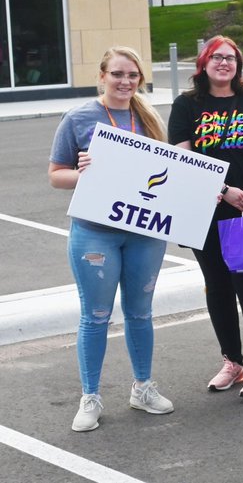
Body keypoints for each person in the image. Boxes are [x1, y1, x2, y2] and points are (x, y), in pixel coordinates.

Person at [50, 47, 173, 432]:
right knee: (96, 316)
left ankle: (143, 388)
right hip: (95, 234)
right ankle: (90, 396)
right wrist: (82, 172)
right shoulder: (79, 117)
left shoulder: (148, 117)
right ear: (102, 76)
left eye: (133, 75)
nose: (125, 82)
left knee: (140, 313)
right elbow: (56, 175)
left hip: (144, 234)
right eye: (118, 74)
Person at [168, 36, 243, 397]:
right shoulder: (187, 105)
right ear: (203, 63)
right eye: (217, 57)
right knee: (217, 285)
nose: (224, 63)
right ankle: (232, 362)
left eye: (231, 58)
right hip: (205, 210)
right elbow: (182, 158)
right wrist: (223, 191)